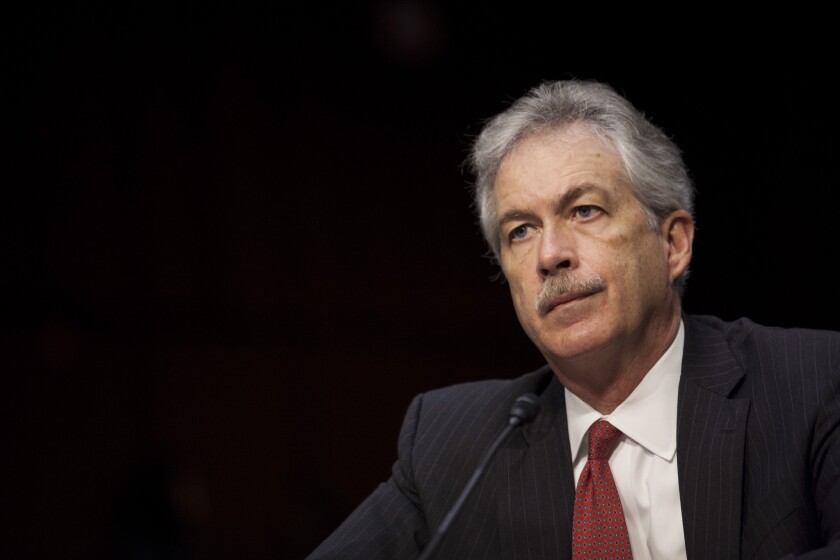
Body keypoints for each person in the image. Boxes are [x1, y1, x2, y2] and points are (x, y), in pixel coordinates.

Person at [305, 79, 840, 559]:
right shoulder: (451, 446)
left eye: (584, 210)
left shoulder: (811, 382)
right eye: (521, 230)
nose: (549, 255)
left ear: (673, 242)